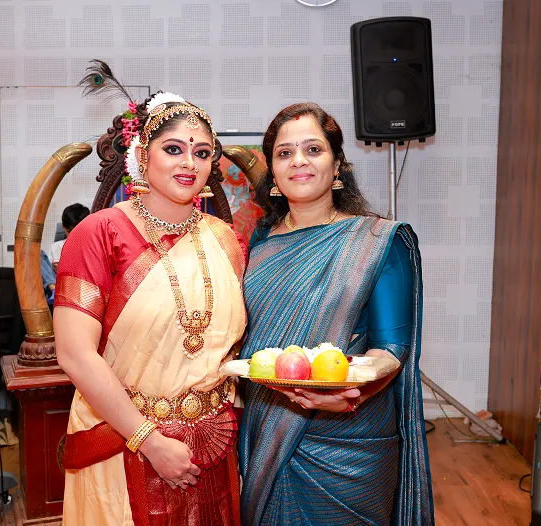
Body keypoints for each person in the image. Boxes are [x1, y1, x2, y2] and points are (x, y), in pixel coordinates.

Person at [54, 90, 247, 525]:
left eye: (202, 153)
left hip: (213, 443)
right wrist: (150, 440)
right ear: (143, 155)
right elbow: (74, 354)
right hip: (125, 441)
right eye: (173, 149)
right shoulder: (99, 233)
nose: (189, 163)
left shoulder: (226, 239)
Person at [238, 102, 434, 525]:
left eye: (313, 149)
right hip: (267, 424)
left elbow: (392, 348)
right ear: (273, 173)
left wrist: (350, 395)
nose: (298, 161)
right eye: (285, 153)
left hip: (349, 441)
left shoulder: (377, 241)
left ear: (338, 164)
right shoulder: (260, 241)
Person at [50, 203, 90, 270]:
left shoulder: (93, 248)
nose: (73, 237)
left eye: (78, 233)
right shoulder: (56, 247)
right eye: (69, 232)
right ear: (63, 227)